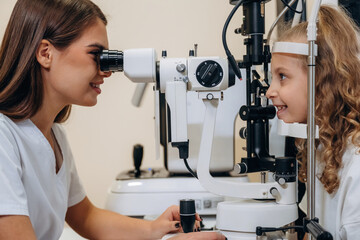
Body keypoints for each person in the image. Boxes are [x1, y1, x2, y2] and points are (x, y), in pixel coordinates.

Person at [0, 0, 226, 239]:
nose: (107, 70)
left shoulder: (54, 135)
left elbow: (86, 216)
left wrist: (155, 230)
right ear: (45, 53)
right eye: (95, 54)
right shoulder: (4, 137)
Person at [266, 4, 360, 239]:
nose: (270, 91)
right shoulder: (322, 149)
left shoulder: (355, 165)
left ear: (320, 79)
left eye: (282, 77)